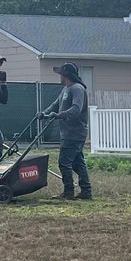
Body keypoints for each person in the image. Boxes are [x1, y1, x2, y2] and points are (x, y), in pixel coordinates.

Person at [45, 62, 92, 199]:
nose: (59, 76)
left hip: (75, 132)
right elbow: (56, 105)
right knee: (77, 163)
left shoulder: (77, 89)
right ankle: (86, 191)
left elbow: (76, 109)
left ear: (65, 75)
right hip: (67, 132)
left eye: (60, 73)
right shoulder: (66, 89)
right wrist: (44, 113)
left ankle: (69, 192)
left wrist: (59, 115)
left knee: (64, 162)